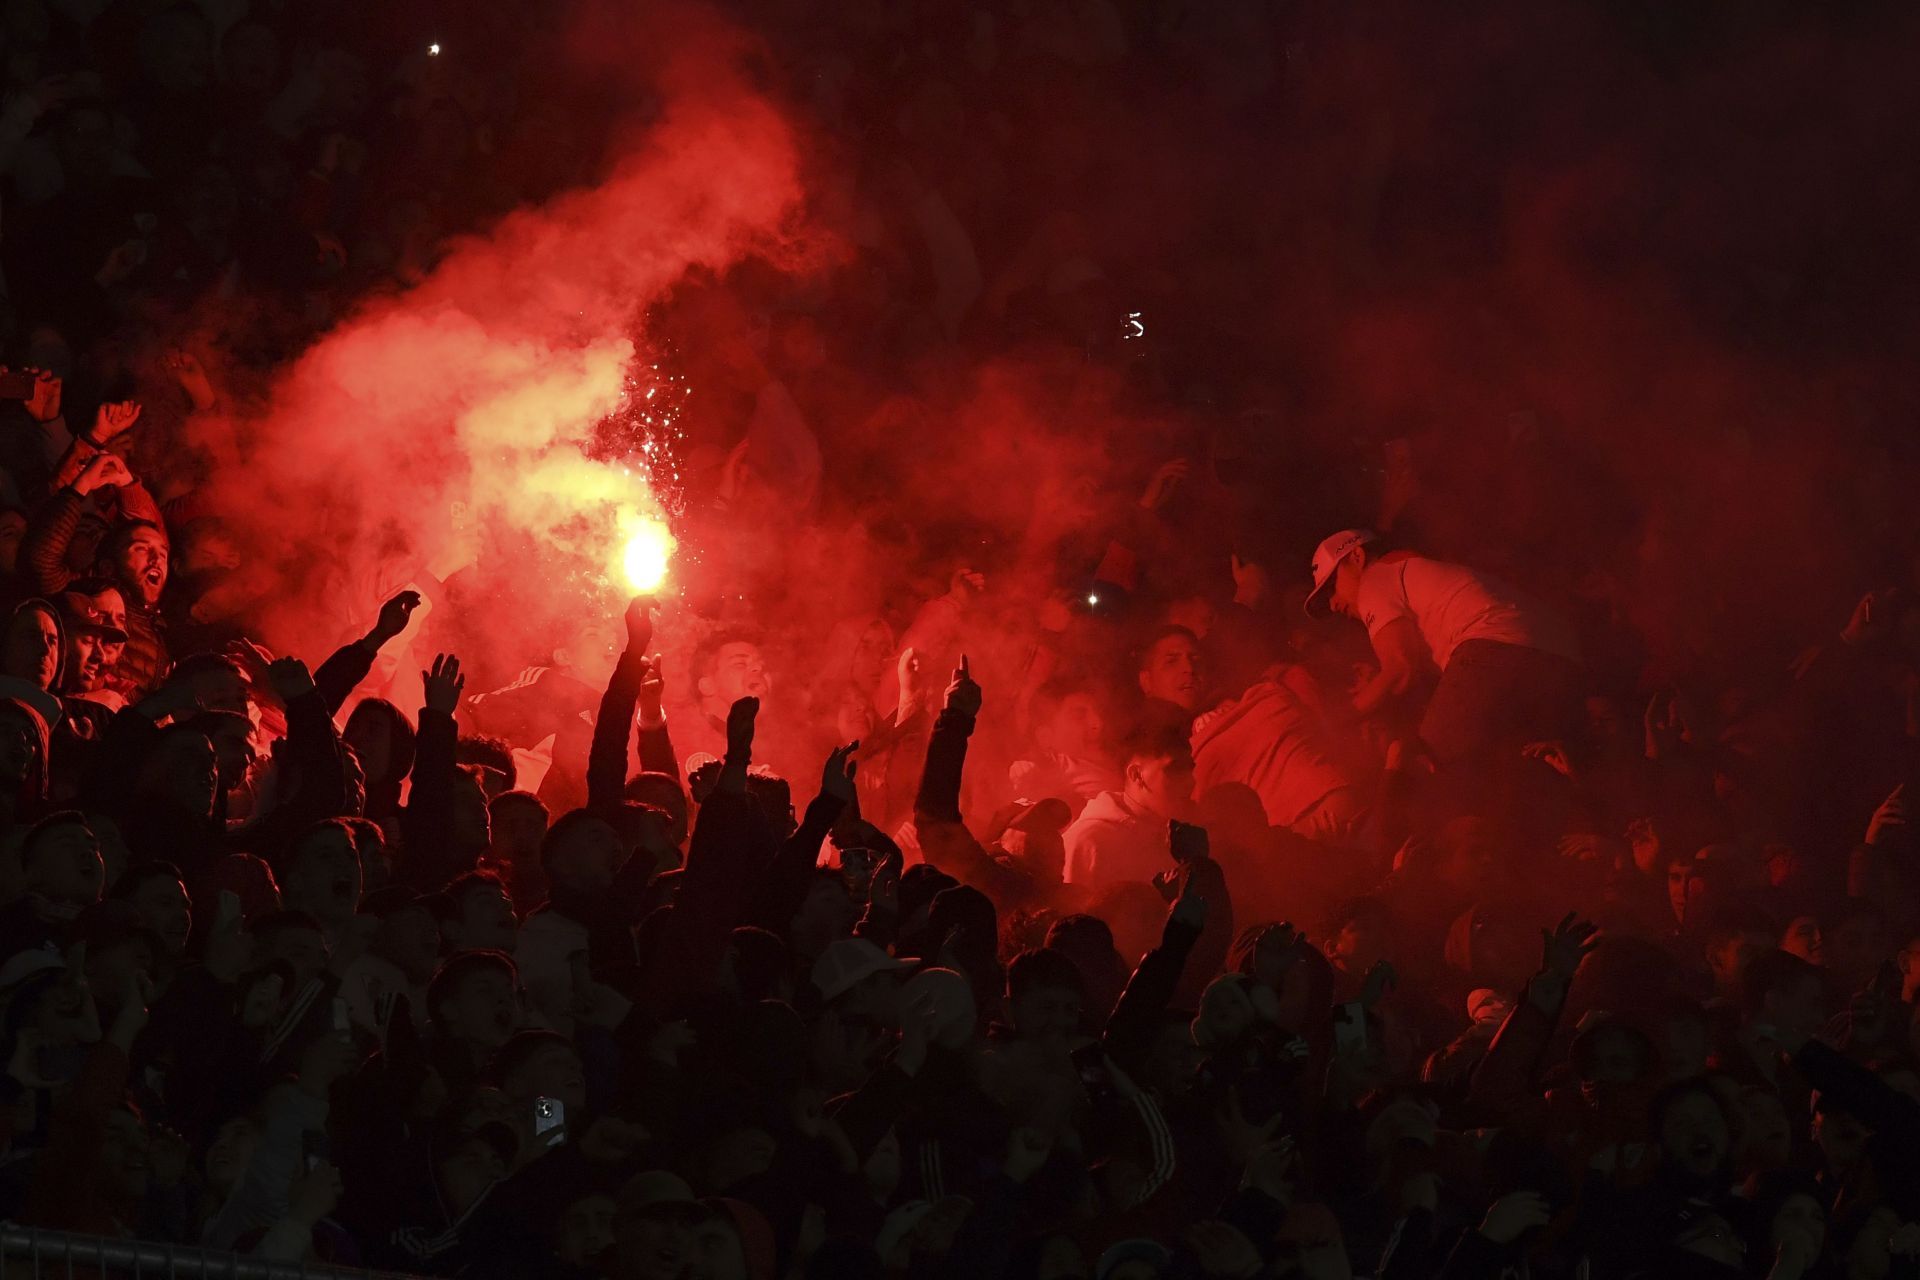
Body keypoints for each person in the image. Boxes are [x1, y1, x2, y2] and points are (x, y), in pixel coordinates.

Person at [1307, 528, 1582, 766]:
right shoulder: (1407, 571)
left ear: (1357, 557)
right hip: (1561, 657)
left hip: (1493, 645)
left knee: (1427, 770)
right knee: (1515, 776)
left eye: (1332, 585)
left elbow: (1400, 670)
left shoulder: (1373, 581)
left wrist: (1336, 722)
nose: (1332, 603)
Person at [1062, 722, 1195, 890]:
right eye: (1175, 769)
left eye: (1189, 768)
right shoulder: (1088, 843)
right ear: (1136, 774)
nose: (1190, 781)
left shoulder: (1182, 836)